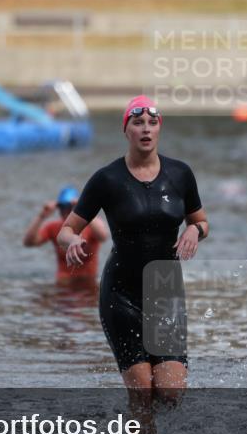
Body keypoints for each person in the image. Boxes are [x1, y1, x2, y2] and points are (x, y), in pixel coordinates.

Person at [57, 96, 208, 405]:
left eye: (152, 123)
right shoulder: (107, 179)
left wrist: (194, 229)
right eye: (138, 123)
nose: (146, 129)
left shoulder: (180, 174)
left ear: (159, 129)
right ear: (126, 130)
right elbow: (66, 229)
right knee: (142, 395)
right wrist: (72, 240)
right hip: (121, 296)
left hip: (166, 294)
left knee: (171, 393)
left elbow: (202, 221)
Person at [23, 186, 108, 284]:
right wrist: (41, 216)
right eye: (62, 207)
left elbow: (103, 236)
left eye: (69, 207)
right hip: (64, 283)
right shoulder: (53, 227)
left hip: (88, 283)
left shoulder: (91, 226)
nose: (65, 211)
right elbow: (28, 243)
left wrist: (84, 209)